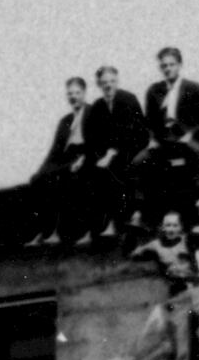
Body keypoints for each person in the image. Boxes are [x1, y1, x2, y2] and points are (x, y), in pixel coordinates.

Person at [133, 209, 199, 360]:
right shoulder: (156, 245)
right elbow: (132, 254)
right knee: (182, 350)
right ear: (162, 228)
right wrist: (133, 228)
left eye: (174, 225)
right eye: (167, 225)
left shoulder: (189, 240)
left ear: (181, 228)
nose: (171, 229)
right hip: (178, 298)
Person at [138, 46, 199, 228]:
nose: (167, 68)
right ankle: (149, 211)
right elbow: (149, 122)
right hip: (163, 140)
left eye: (171, 64)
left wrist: (190, 134)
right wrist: (152, 138)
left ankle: (198, 202)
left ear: (180, 65)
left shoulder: (193, 87)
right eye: (164, 66)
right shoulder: (154, 90)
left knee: (195, 152)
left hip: (184, 137)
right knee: (140, 161)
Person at [28, 77, 103, 243]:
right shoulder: (65, 121)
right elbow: (55, 150)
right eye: (70, 94)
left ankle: (63, 232)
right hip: (65, 159)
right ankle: (44, 232)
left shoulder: (94, 112)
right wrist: (41, 170)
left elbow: (98, 142)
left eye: (77, 93)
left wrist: (84, 158)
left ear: (84, 93)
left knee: (66, 180)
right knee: (38, 180)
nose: (73, 97)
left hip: (86, 156)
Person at [90, 64, 151, 235]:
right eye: (104, 82)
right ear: (99, 85)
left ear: (117, 82)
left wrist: (111, 152)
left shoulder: (128, 99)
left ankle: (131, 217)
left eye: (112, 81)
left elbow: (137, 131)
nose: (108, 85)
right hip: (110, 153)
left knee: (120, 167)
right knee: (98, 170)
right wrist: (101, 155)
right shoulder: (98, 106)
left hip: (134, 145)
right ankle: (110, 221)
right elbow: (95, 137)